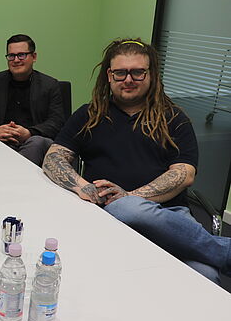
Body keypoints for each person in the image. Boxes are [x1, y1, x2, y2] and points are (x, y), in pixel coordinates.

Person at [42, 38, 231, 284]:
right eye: (120, 73)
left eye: (137, 72)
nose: (128, 80)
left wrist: (130, 197)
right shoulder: (89, 114)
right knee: (122, 209)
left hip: (169, 213)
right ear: (109, 75)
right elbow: (53, 157)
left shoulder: (173, 117)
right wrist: (82, 187)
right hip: (104, 212)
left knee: (205, 276)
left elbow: (184, 173)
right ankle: (224, 252)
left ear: (150, 75)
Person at [0, 34, 65, 166]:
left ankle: (15, 179)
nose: (16, 60)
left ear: (34, 57)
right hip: (0, 142)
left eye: (21, 55)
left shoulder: (50, 85)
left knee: (36, 142)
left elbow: (57, 121)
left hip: (34, 144)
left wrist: (30, 132)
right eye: (11, 56)